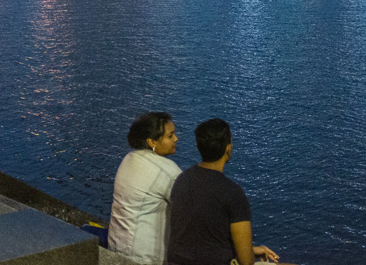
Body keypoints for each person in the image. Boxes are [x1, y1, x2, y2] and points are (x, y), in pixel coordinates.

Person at [167, 118, 288, 265]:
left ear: (198, 146)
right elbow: (246, 261)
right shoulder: (232, 193)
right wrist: (249, 253)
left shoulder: (182, 180)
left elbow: (202, 239)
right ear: (228, 148)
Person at [107, 112, 182, 265]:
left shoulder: (129, 158)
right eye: (170, 136)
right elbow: (189, 209)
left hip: (115, 247)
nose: (176, 139)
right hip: (145, 258)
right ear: (152, 142)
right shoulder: (167, 172)